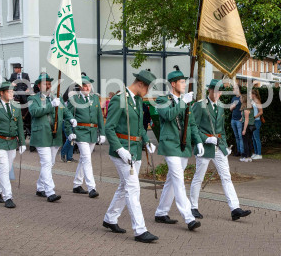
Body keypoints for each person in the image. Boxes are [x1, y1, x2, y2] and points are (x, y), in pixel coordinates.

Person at [103, 70, 159, 243]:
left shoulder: (138, 100)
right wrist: (120, 149)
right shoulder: (119, 100)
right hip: (122, 151)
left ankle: (110, 218)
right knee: (133, 189)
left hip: (134, 150)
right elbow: (109, 128)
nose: (148, 91)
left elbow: (141, 126)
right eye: (148, 87)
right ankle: (140, 230)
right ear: (140, 84)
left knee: (124, 186)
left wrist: (146, 140)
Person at [190, 79, 252, 221]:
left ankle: (235, 208)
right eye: (215, 91)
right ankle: (193, 207)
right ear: (209, 90)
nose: (218, 94)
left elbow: (222, 130)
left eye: (220, 91)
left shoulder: (220, 106)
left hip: (218, 146)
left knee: (226, 177)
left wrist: (224, 145)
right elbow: (192, 127)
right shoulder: (199, 106)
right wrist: (205, 139)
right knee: (198, 177)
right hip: (205, 146)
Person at [154, 67, 203, 231]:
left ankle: (161, 212)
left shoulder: (185, 101)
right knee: (179, 181)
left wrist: (199, 142)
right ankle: (189, 218)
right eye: (181, 82)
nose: (184, 84)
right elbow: (167, 115)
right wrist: (183, 102)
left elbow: (193, 124)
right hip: (169, 145)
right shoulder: (162, 100)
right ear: (173, 84)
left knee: (171, 181)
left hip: (183, 146)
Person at [28, 73, 74, 203]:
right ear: (39, 86)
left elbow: (65, 111)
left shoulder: (56, 98)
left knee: (50, 163)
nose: (48, 86)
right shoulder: (33, 99)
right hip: (41, 135)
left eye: (49, 83)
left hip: (55, 135)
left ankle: (40, 187)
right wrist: (50, 105)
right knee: (46, 163)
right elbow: (35, 112)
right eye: (45, 84)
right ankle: (50, 191)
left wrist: (71, 118)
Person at [68, 73, 105, 198]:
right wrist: (70, 132)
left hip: (92, 132)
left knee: (84, 159)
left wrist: (102, 133)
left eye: (89, 85)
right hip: (81, 132)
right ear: (79, 87)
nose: (87, 87)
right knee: (87, 159)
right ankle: (91, 188)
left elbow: (99, 116)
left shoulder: (94, 98)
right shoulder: (75, 99)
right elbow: (67, 115)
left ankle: (77, 184)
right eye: (84, 85)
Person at [230, 86, 243, 157]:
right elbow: (230, 109)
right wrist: (232, 107)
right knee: (236, 136)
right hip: (233, 119)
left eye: (234, 89)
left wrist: (242, 117)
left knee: (240, 137)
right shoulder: (233, 98)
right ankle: (238, 151)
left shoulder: (242, 98)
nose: (233, 90)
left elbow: (245, 108)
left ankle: (242, 152)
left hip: (239, 120)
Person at [240, 95, 254, 162]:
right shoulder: (250, 107)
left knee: (245, 142)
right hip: (251, 126)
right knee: (249, 141)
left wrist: (244, 129)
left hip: (246, 126)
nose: (240, 99)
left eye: (241, 98)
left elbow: (246, 119)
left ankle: (246, 156)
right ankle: (249, 156)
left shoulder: (246, 109)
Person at [251, 89, 263, 160]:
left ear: (254, 94)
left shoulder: (257, 101)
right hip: (253, 121)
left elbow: (261, 112)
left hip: (256, 121)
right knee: (253, 138)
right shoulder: (252, 101)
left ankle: (259, 153)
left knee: (256, 138)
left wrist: (255, 117)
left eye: (251, 94)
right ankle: (256, 153)